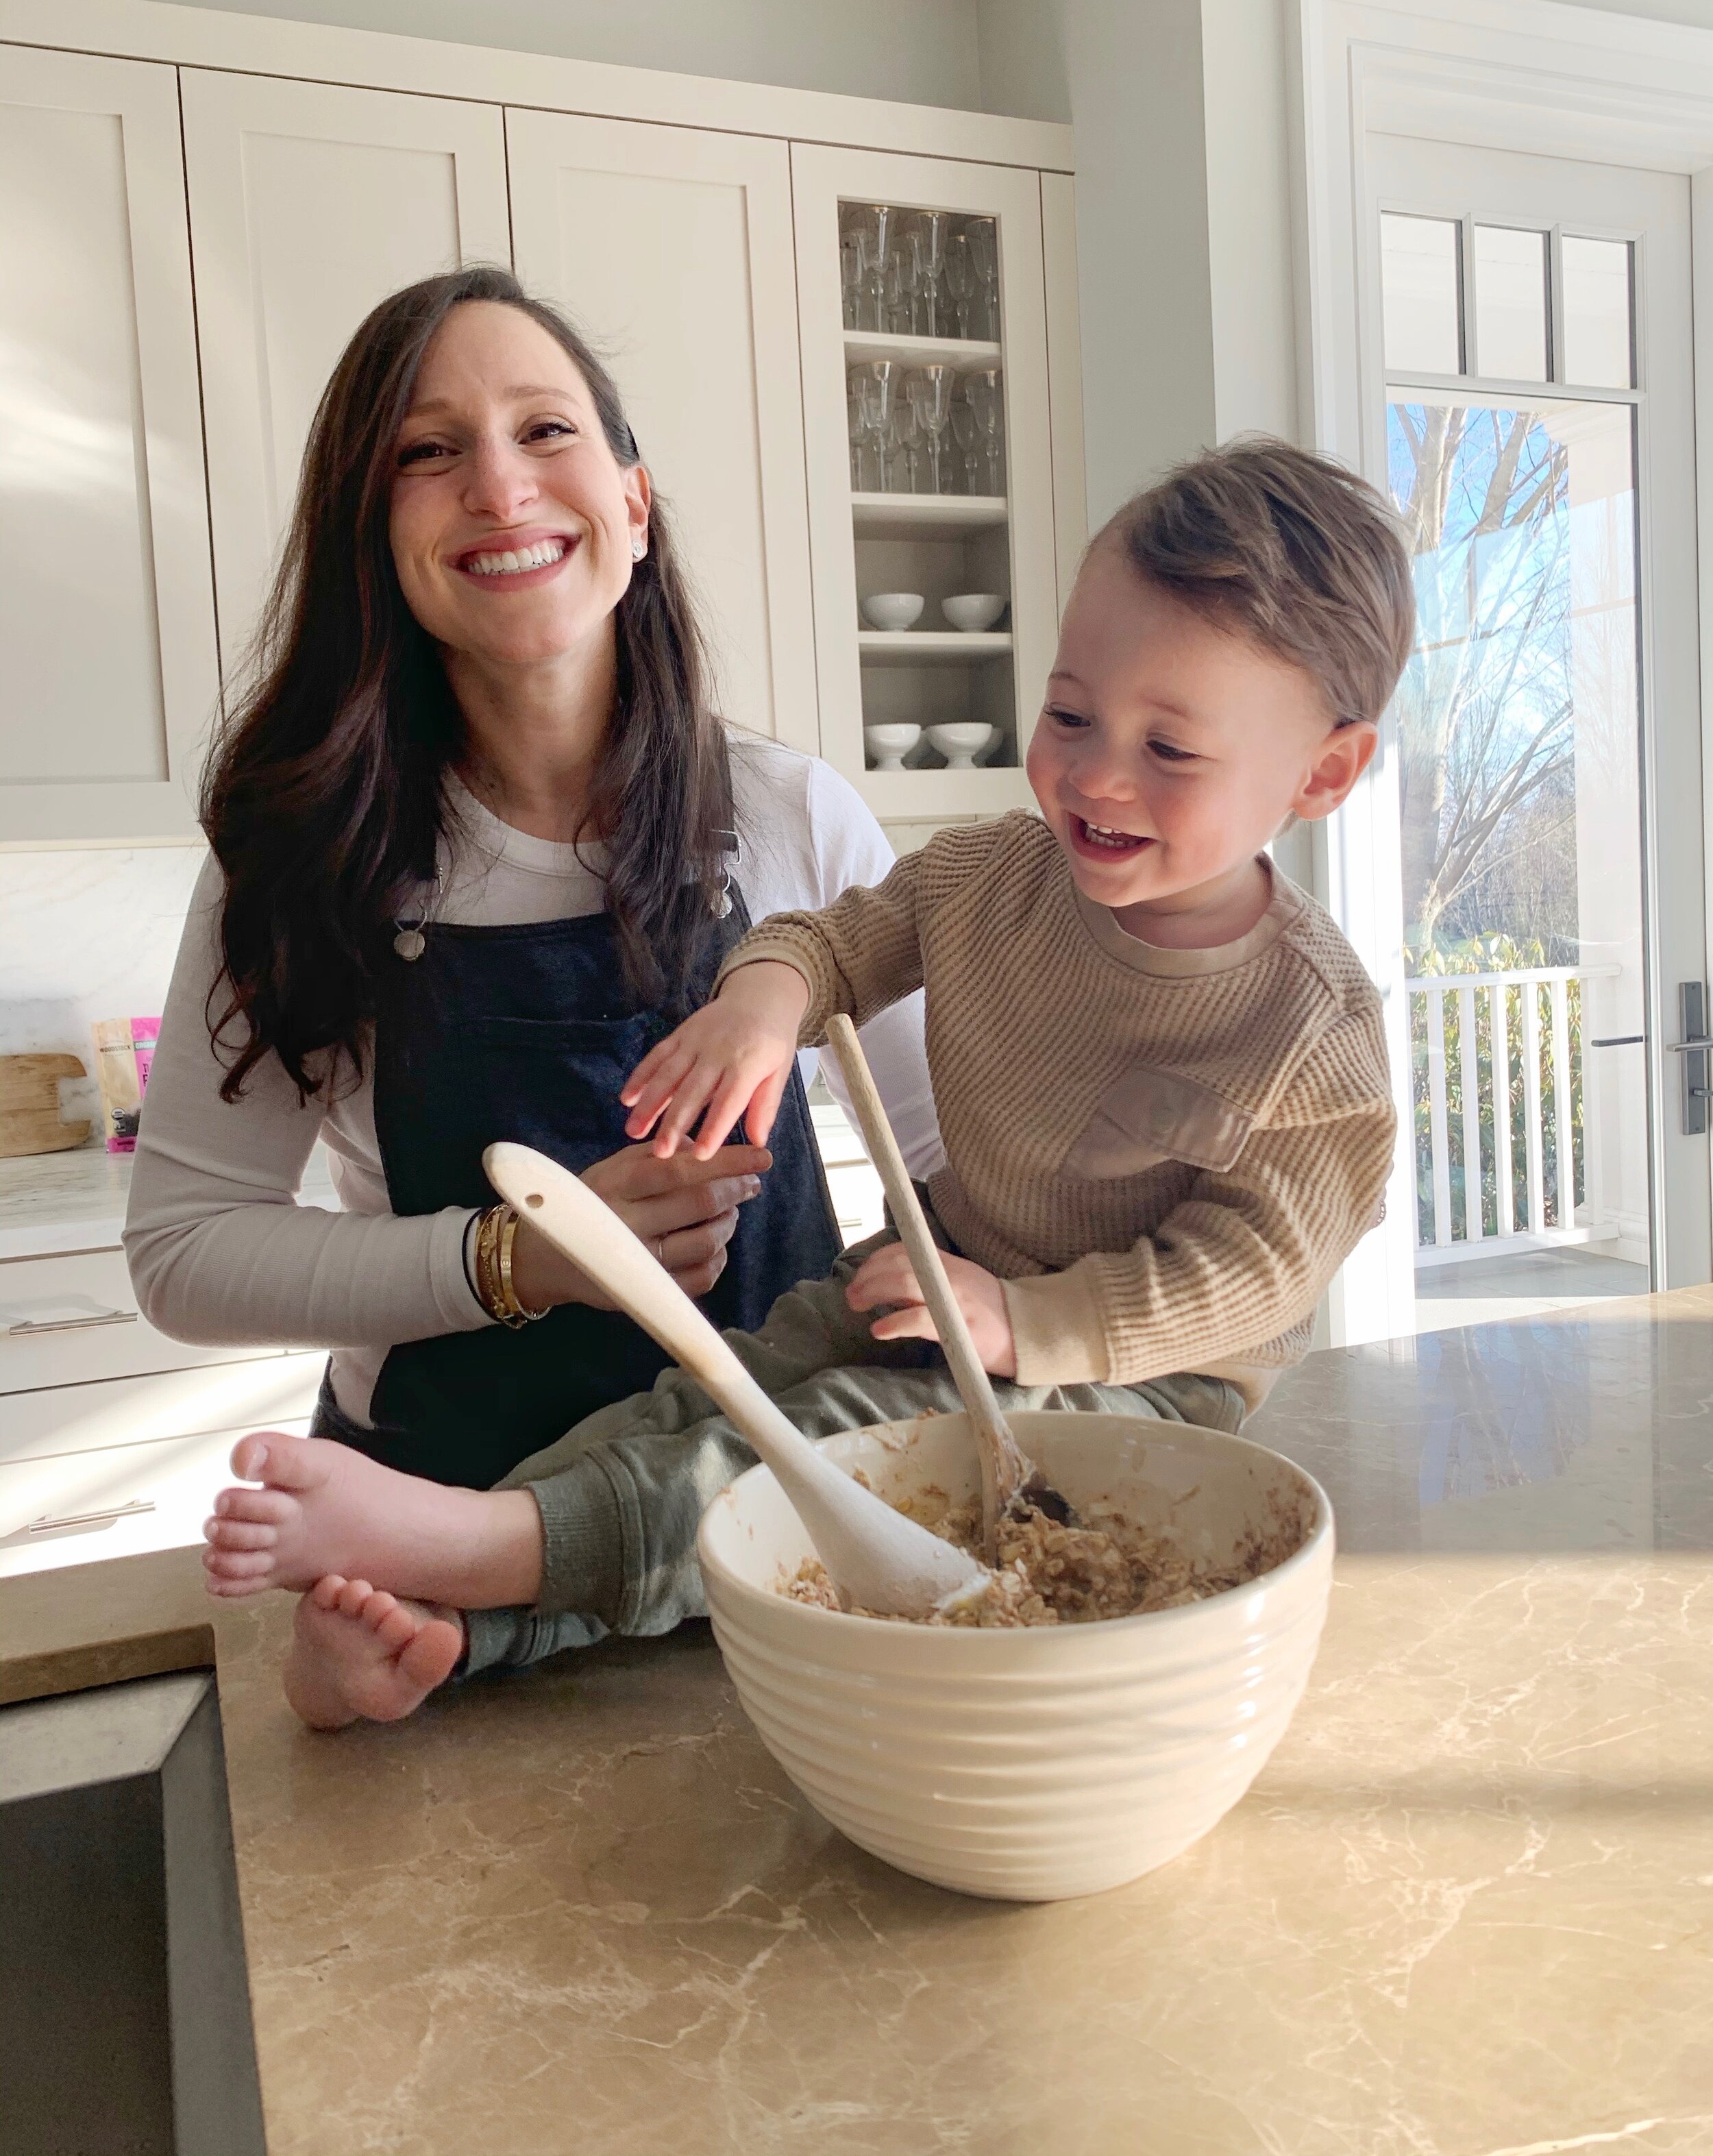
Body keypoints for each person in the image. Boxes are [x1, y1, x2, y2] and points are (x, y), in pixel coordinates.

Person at [199, 438, 1411, 1721]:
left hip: (1140, 1369)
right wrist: (766, 1003)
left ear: (1323, 773)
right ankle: (444, 1607)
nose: (1096, 774)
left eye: (1171, 750)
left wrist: (1027, 1324)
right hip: (935, 1274)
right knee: (705, 1385)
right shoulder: (996, 872)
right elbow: (835, 940)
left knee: (813, 1446)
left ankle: (470, 1571)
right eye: (1069, 714)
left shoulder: (1311, 1028)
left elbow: (1255, 1273)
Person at [130, 265, 937, 1728]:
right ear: (374, 537)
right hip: (433, 1526)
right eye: (427, 452)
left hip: (769, 1504)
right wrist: (519, 1257)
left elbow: (948, 1166)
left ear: (634, 500)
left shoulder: (786, 817)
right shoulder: (302, 859)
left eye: (545, 431)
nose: (498, 486)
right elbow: (182, 1251)